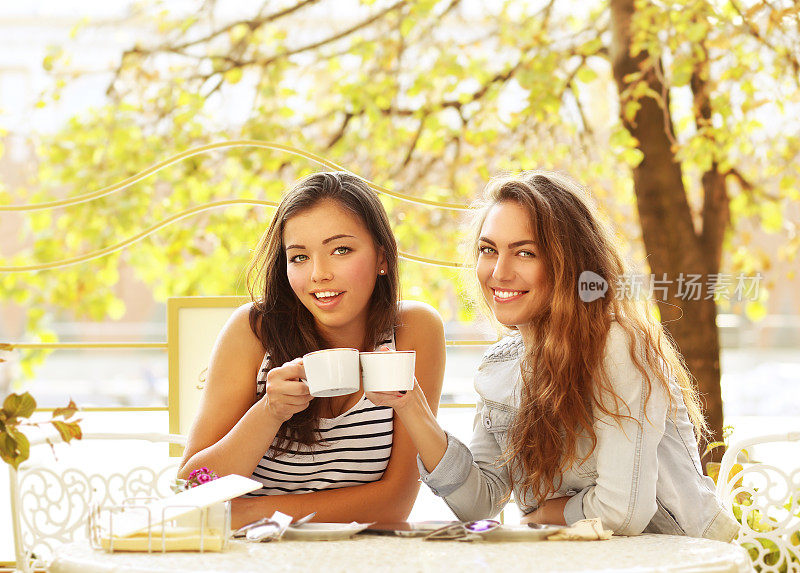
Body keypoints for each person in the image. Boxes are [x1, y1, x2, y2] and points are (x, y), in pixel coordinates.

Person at [368, 171, 739, 540]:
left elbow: (623, 512)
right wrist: (412, 407)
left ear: (569, 263)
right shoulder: (500, 366)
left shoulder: (618, 344)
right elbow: (479, 504)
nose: (499, 271)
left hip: (689, 558)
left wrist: (544, 514)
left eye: (525, 253)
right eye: (488, 250)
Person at [178, 171, 445, 528]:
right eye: (300, 257)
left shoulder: (414, 330)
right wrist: (269, 412)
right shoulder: (254, 331)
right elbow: (193, 488)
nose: (319, 274)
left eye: (341, 250)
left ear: (382, 257)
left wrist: (250, 514)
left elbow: (394, 504)